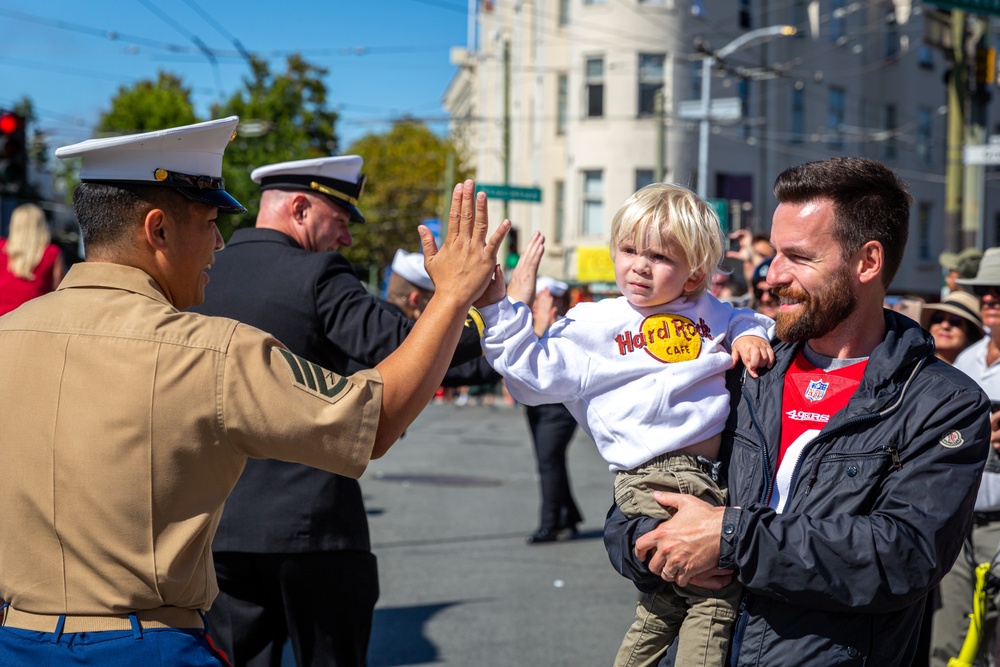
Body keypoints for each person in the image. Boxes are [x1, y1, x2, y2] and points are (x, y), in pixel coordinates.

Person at [0, 116, 509, 667]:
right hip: (149, 645)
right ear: (158, 229)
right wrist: (453, 296)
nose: (220, 240)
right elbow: (375, 418)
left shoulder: (9, 335)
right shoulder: (211, 350)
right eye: (210, 218)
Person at [604, 157, 991, 667]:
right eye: (775, 252)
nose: (773, 274)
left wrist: (727, 538)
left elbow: (902, 557)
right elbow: (631, 506)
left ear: (867, 262)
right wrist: (651, 547)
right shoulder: (739, 368)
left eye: (798, 256)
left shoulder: (941, 402)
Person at [189, 155, 527, 667]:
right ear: (300, 208)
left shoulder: (200, 274)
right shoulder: (318, 273)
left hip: (219, 530)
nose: (346, 240)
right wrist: (494, 322)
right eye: (341, 221)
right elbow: (402, 344)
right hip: (314, 530)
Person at [480, 182, 775, 667]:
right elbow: (530, 376)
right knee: (716, 592)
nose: (639, 264)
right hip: (653, 477)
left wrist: (745, 336)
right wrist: (504, 307)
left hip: (704, 476)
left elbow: (751, 321)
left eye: (660, 257)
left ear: (695, 273)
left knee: (664, 605)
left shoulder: (709, 313)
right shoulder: (596, 322)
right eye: (629, 249)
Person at [931, 249, 1000, 666]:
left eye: (999, 292)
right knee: (949, 641)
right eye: (984, 292)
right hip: (959, 519)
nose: (990, 299)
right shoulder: (970, 358)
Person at [524, 276, 583, 545]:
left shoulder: (566, 327)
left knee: (548, 460)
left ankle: (549, 524)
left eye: (541, 299)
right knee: (550, 461)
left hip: (560, 408)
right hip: (537, 406)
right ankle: (567, 515)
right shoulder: (531, 325)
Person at [0, 202, 65, 315]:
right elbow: (58, 294)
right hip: (33, 322)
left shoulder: (2, 248)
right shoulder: (52, 253)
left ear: (13, 225)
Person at [920, 291, 983, 366]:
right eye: (938, 318)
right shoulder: (914, 366)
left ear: (970, 333)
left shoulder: (976, 373)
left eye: (955, 321)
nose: (945, 325)